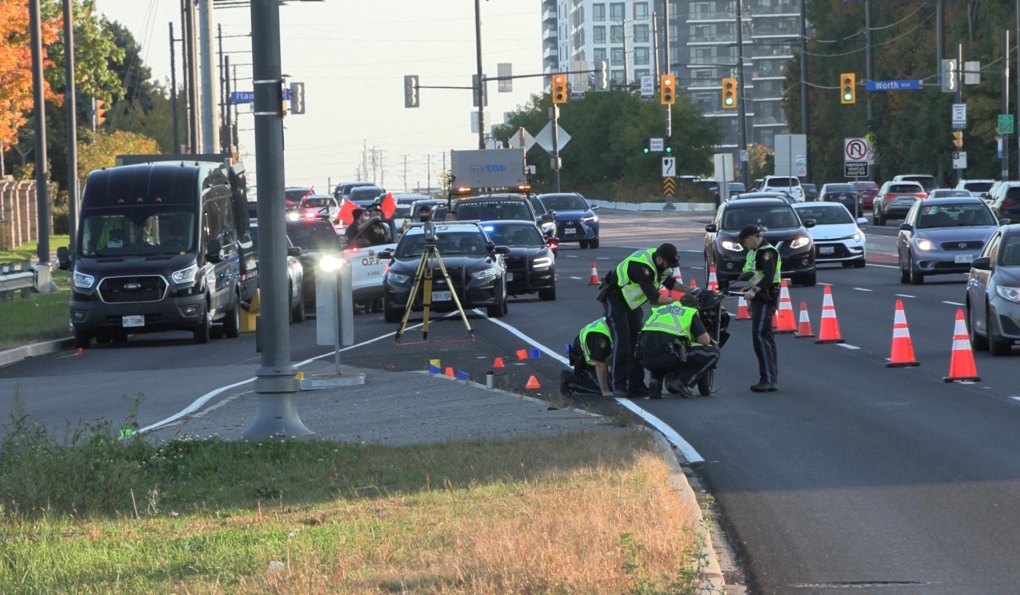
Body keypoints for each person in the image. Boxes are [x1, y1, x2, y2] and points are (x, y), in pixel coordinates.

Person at [597, 243, 683, 398]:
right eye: (668, 263)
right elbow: (654, 298)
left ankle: (636, 384)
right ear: (659, 258)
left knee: (637, 342)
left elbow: (669, 282)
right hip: (614, 298)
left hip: (630, 303)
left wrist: (691, 291)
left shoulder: (660, 263)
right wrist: (679, 302)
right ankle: (618, 384)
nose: (669, 267)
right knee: (621, 340)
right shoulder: (641, 266)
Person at [636, 303, 719, 399]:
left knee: (659, 349)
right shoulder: (689, 312)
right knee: (713, 353)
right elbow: (705, 341)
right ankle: (683, 382)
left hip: (644, 358)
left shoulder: (659, 309)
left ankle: (655, 381)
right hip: (668, 356)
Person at [738, 224, 781, 392]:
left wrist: (754, 291)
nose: (745, 247)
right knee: (766, 336)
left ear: (751, 238)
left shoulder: (767, 252)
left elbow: (768, 277)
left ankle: (768, 378)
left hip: (766, 296)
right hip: (758, 297)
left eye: (744, 243)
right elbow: (753, 276)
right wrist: (750, 293)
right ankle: (771, 377)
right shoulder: (754, 252)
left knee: (760, 335)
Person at [562, 318, 614, 397]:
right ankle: (569, 380)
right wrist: (605, 391)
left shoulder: (617, 321)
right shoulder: (600, 337)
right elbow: (599, 364)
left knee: (614, 385)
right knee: (600, 387)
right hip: (585, 358)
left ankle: (609, 379)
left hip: (602, 355)